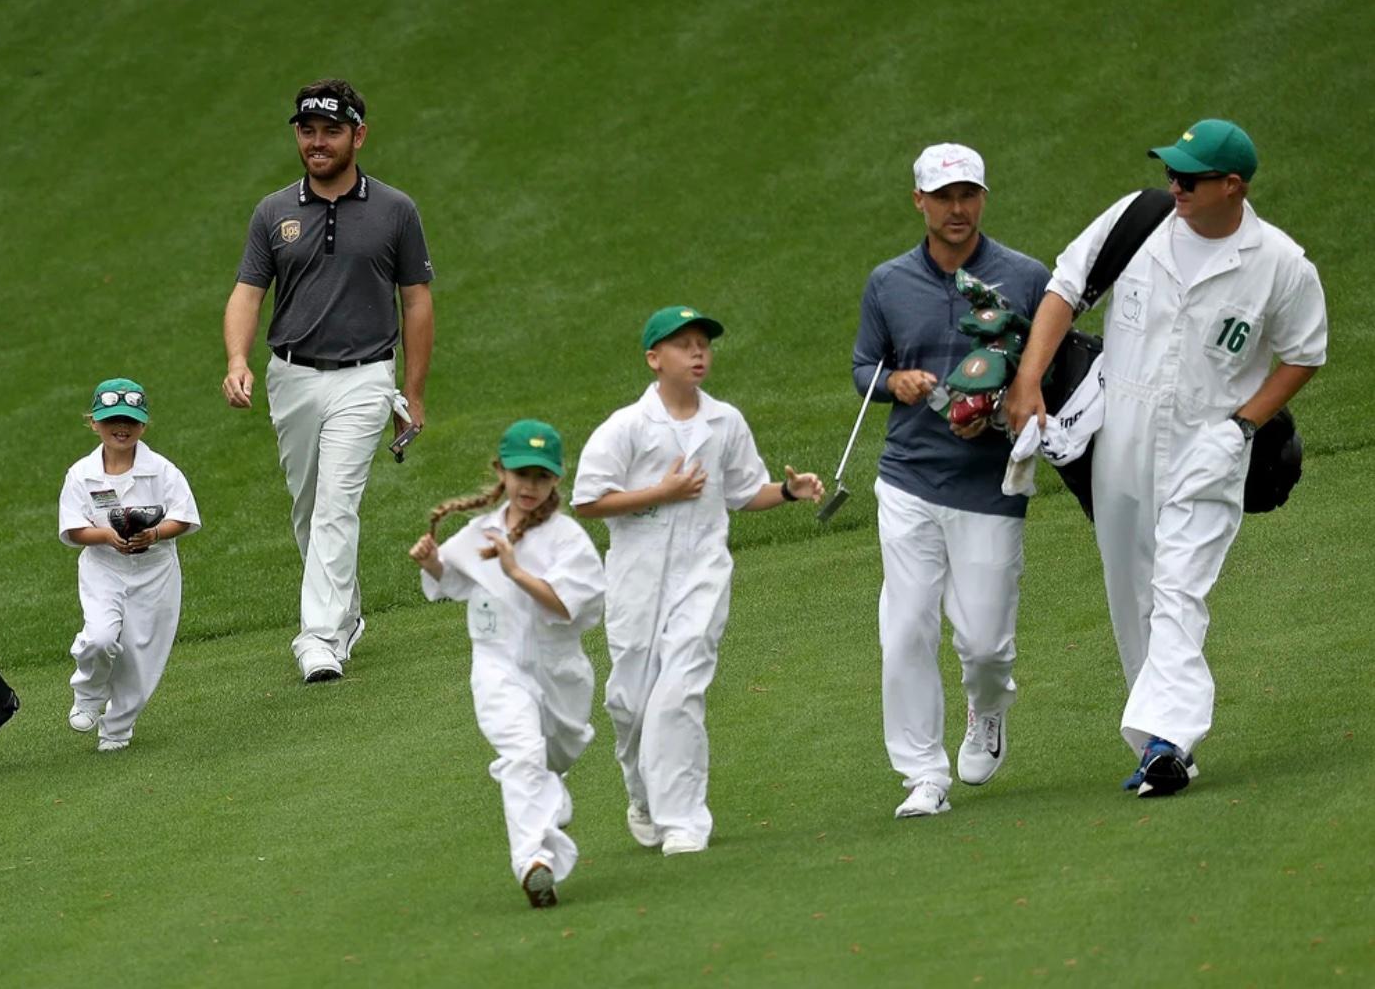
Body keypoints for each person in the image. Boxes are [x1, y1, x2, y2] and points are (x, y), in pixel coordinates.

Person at [1003, 120, 1327, 797]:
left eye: (1190, 176)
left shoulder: (1280, 263)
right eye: (1171, 172)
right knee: (1132, 591)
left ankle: (1170, 741)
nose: (1173, 185)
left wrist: (1242, 425)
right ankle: (1158, 737)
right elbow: (1065, 288)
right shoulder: (1139, 218)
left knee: (1179, 586)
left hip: (1207, 443)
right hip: (1119, 431)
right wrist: (1030, 379)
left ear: (1232, 186)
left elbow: (1304, 353)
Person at [572, 306, 824, 855]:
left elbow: (743, 491)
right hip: (637, 581)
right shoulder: (626, 428)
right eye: (684, 344)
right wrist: (658, 494)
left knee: (679, 693)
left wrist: (788, 492)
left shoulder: (725, 422)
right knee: (632, 704)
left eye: (703, 345)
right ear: (653, 358)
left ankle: (684, 819)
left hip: (702, 574)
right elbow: (588, 501)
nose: (698, 353)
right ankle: (643, 796)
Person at [851, 143, 1050, 819]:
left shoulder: (1026, 278)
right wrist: (894, 382)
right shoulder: (887, 282)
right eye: (943, 197)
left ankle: (987, 707)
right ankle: (922, 775)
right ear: (920, 202)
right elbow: (862, 369)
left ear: (983, 198)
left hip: (991, 483)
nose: (957, 209)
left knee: (986, 644)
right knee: (904, 628)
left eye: (968, 195)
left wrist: (999, 408)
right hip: (907, 479)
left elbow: (1050, 373)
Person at [221, 78, 435, 684]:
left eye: (331, 132)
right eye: (307, 131)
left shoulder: (396, 210)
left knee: (336, 507)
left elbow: (416, 303)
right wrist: (237, 361)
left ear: (358, 136)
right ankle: (346, 616)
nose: (317, 143)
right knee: (309, 508)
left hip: (366, 377)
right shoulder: (273, 211)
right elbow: (247, 293)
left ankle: (317, 638)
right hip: (290, 376)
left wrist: (413, 394)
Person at [410, 419, 604, 909]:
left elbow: (566, 606)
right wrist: (431, 562)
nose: (530, 486)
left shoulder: (568, 540)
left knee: (556, 754)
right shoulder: (481, 530)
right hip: (498, 668)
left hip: (559, 671)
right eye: (521, 474)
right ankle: (534, 863)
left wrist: (514, 570)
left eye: (542, 476)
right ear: (501, 472)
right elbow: (452, 581)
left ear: (557, 479)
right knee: (521, 754)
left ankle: (549, 799)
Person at [57, 378, 201, 752]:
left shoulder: (163, 470)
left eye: (130, 421)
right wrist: (106, 536)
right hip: (103, 568)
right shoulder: (80, 474)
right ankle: (88, 696)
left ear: (143, 425)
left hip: (155, 571)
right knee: (100, 637)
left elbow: (184, 517)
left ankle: (117, 729)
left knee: (142, 655)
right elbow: (73, 529)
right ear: (93, 423)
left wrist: (153, 535)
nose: (121, 428)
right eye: (111, 421)